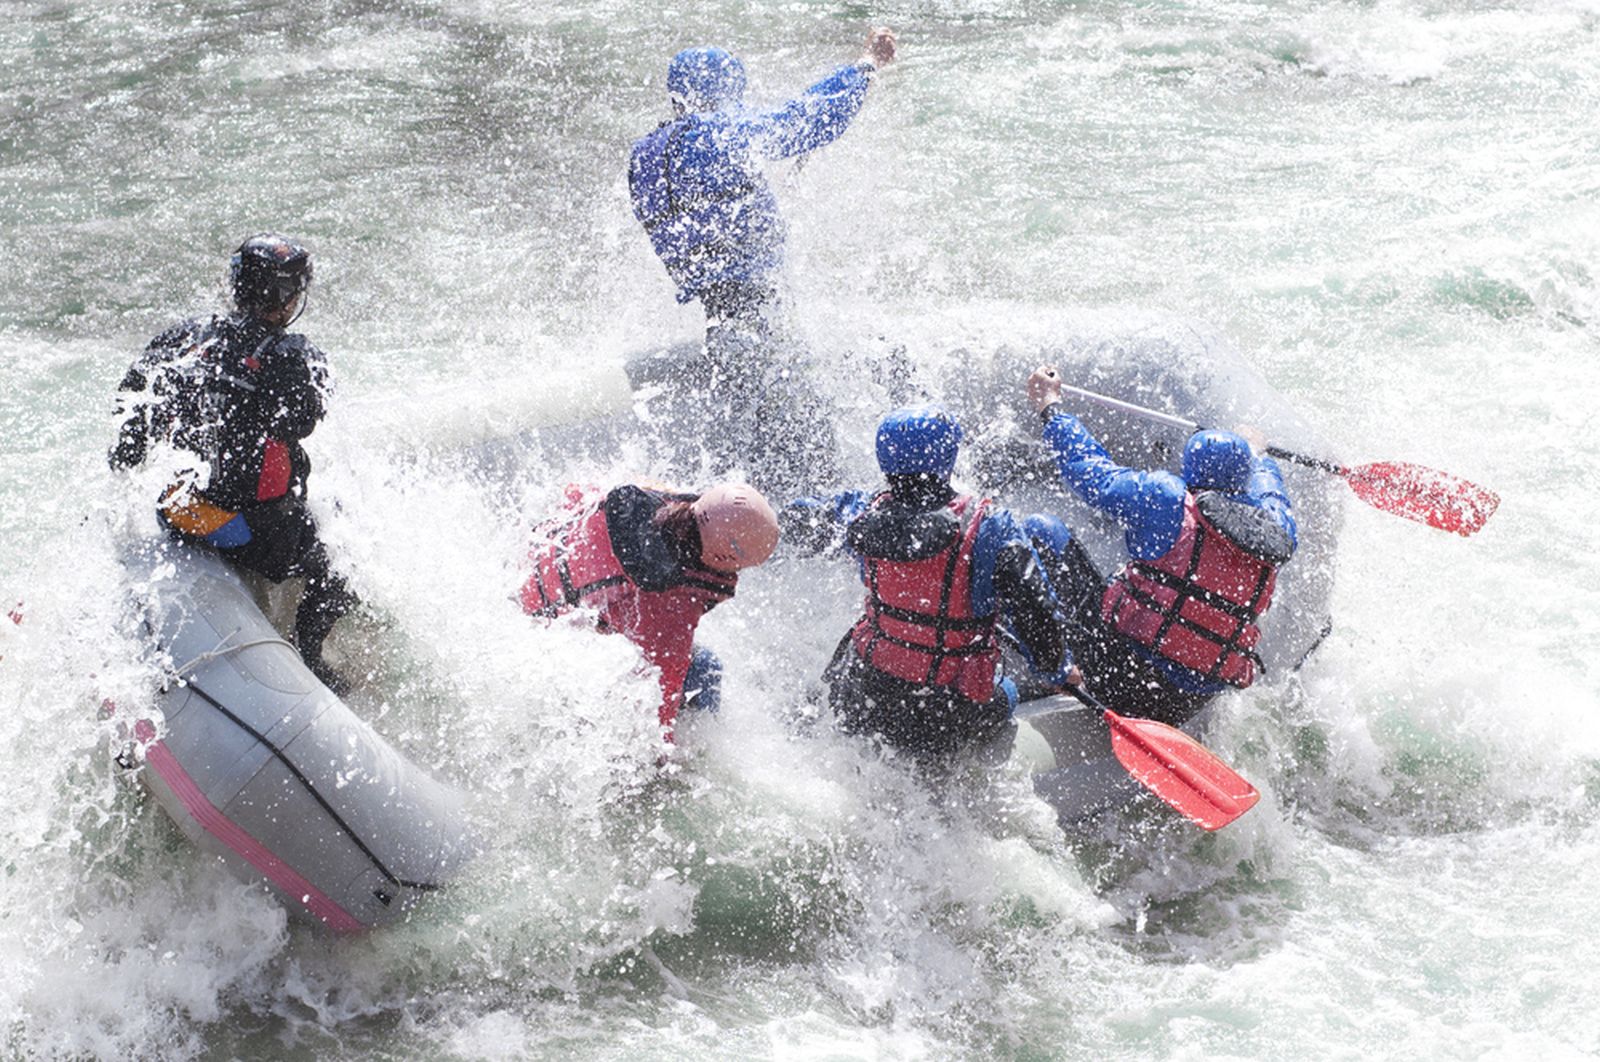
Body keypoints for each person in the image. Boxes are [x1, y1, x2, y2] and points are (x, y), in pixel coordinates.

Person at [627, 30, 897, 498]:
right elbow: (808, 119)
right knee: (805, 440)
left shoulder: (645, 156)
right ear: (723, 92)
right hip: (760, 315)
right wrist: (866, 66)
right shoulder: (717, 134)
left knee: (757, 440)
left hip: (719, 316)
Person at [110, 234, 357, 692]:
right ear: (287, 299)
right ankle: (311, 655)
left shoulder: (182, 339)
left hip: (182, 513)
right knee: (350, 553)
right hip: (256, 533)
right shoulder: (291, 355)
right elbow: (303, 420)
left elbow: (129, 426)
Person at [786, 405, 1074, 761]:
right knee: (1010, 692)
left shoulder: (859, 510)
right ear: (948, 457)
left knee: (853, 651)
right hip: (947, 710)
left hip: (868, 691)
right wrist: (1058, 670)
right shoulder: (990, 526)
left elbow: (797, 519)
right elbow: (1036, 610)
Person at [1023, 366, 1298, 726]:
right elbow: (1272, 494)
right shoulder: (1275, 531)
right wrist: (1259, 457)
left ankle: (1047, 667)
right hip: (1190, 703)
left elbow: (1089, 472)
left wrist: (1050, 406)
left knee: (1040, 530)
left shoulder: (1168, 500)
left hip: (1119, 676)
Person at [519, 480, 780, 741]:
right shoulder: (671, 601)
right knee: (704, 669)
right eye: (742, 566)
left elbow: (576, 492)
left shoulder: (656, 504)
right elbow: (665, 688)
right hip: (549, 629)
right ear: (722, 558)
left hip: (530, 563)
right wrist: (663, 752)